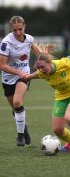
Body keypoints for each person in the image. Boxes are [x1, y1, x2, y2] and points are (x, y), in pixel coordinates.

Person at [0, 16, 41, 146]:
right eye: (15, 30)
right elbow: (2, 65)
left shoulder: (29, 38)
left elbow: (39, 54)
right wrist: (17, 72)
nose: (18, 32)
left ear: (25, 26)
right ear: (11, 29)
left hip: (24, 75)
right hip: (8, 77)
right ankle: (24, 129)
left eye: (20, 29)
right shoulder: (6, 43)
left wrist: (42, 61)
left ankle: (20, 137)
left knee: (17, 102)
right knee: (15, 108)